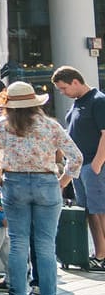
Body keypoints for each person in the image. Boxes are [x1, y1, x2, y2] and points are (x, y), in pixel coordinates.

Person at [0, 81, 84, 295]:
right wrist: (64, 182)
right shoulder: (49, 125)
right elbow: (76, 157)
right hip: (46, 183)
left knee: (18, 242)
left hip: (14, 183)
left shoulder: (1, 125)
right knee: (45, 244)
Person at [52, 66, 105, 270]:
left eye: (64, 88)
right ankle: (98, 253)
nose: (62, 92)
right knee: (89, 211)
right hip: (79, 166)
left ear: (75, 81)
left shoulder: (98, 100)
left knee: (100, 210)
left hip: (92, 165)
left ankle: (102, 255)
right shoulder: (76, 104)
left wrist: (97, 165)